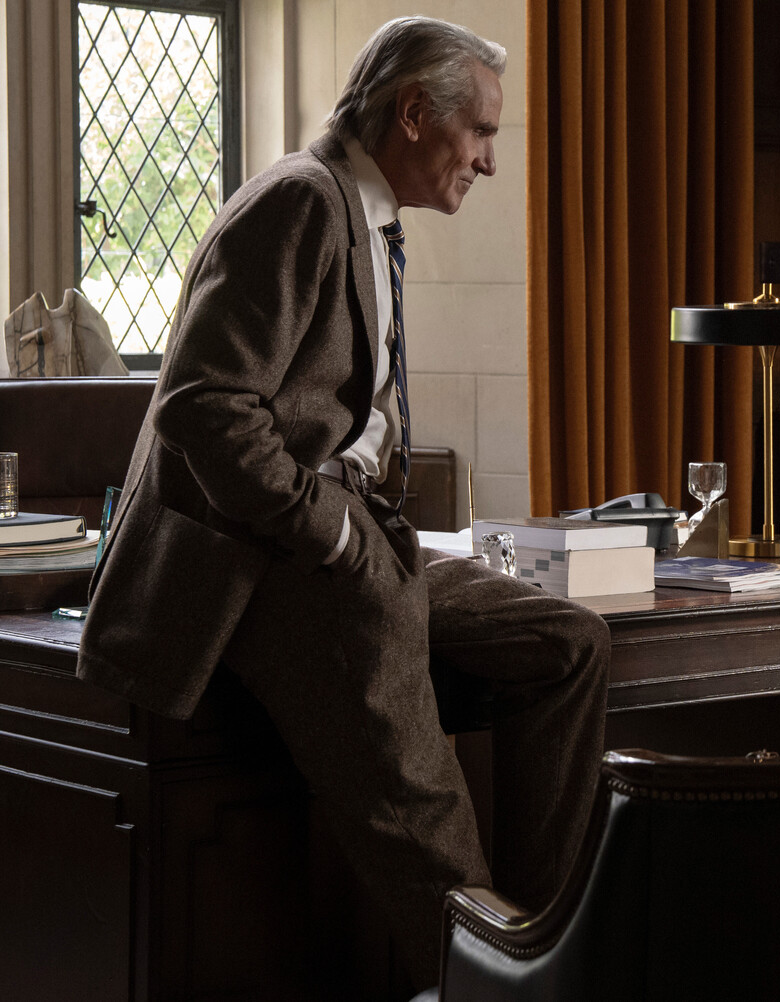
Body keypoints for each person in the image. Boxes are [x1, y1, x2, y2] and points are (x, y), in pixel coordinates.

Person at [76, 17, 609, 988]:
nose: (489, 161)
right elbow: (203, 406)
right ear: (413, 114)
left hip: (360, 532)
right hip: (269, 562)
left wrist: (368, 528)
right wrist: (331, 534)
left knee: (568, 644)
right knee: (422, 807)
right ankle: (495, 982)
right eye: (481, 131)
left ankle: (542, 948)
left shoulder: (368, 216)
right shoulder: (301, 202)